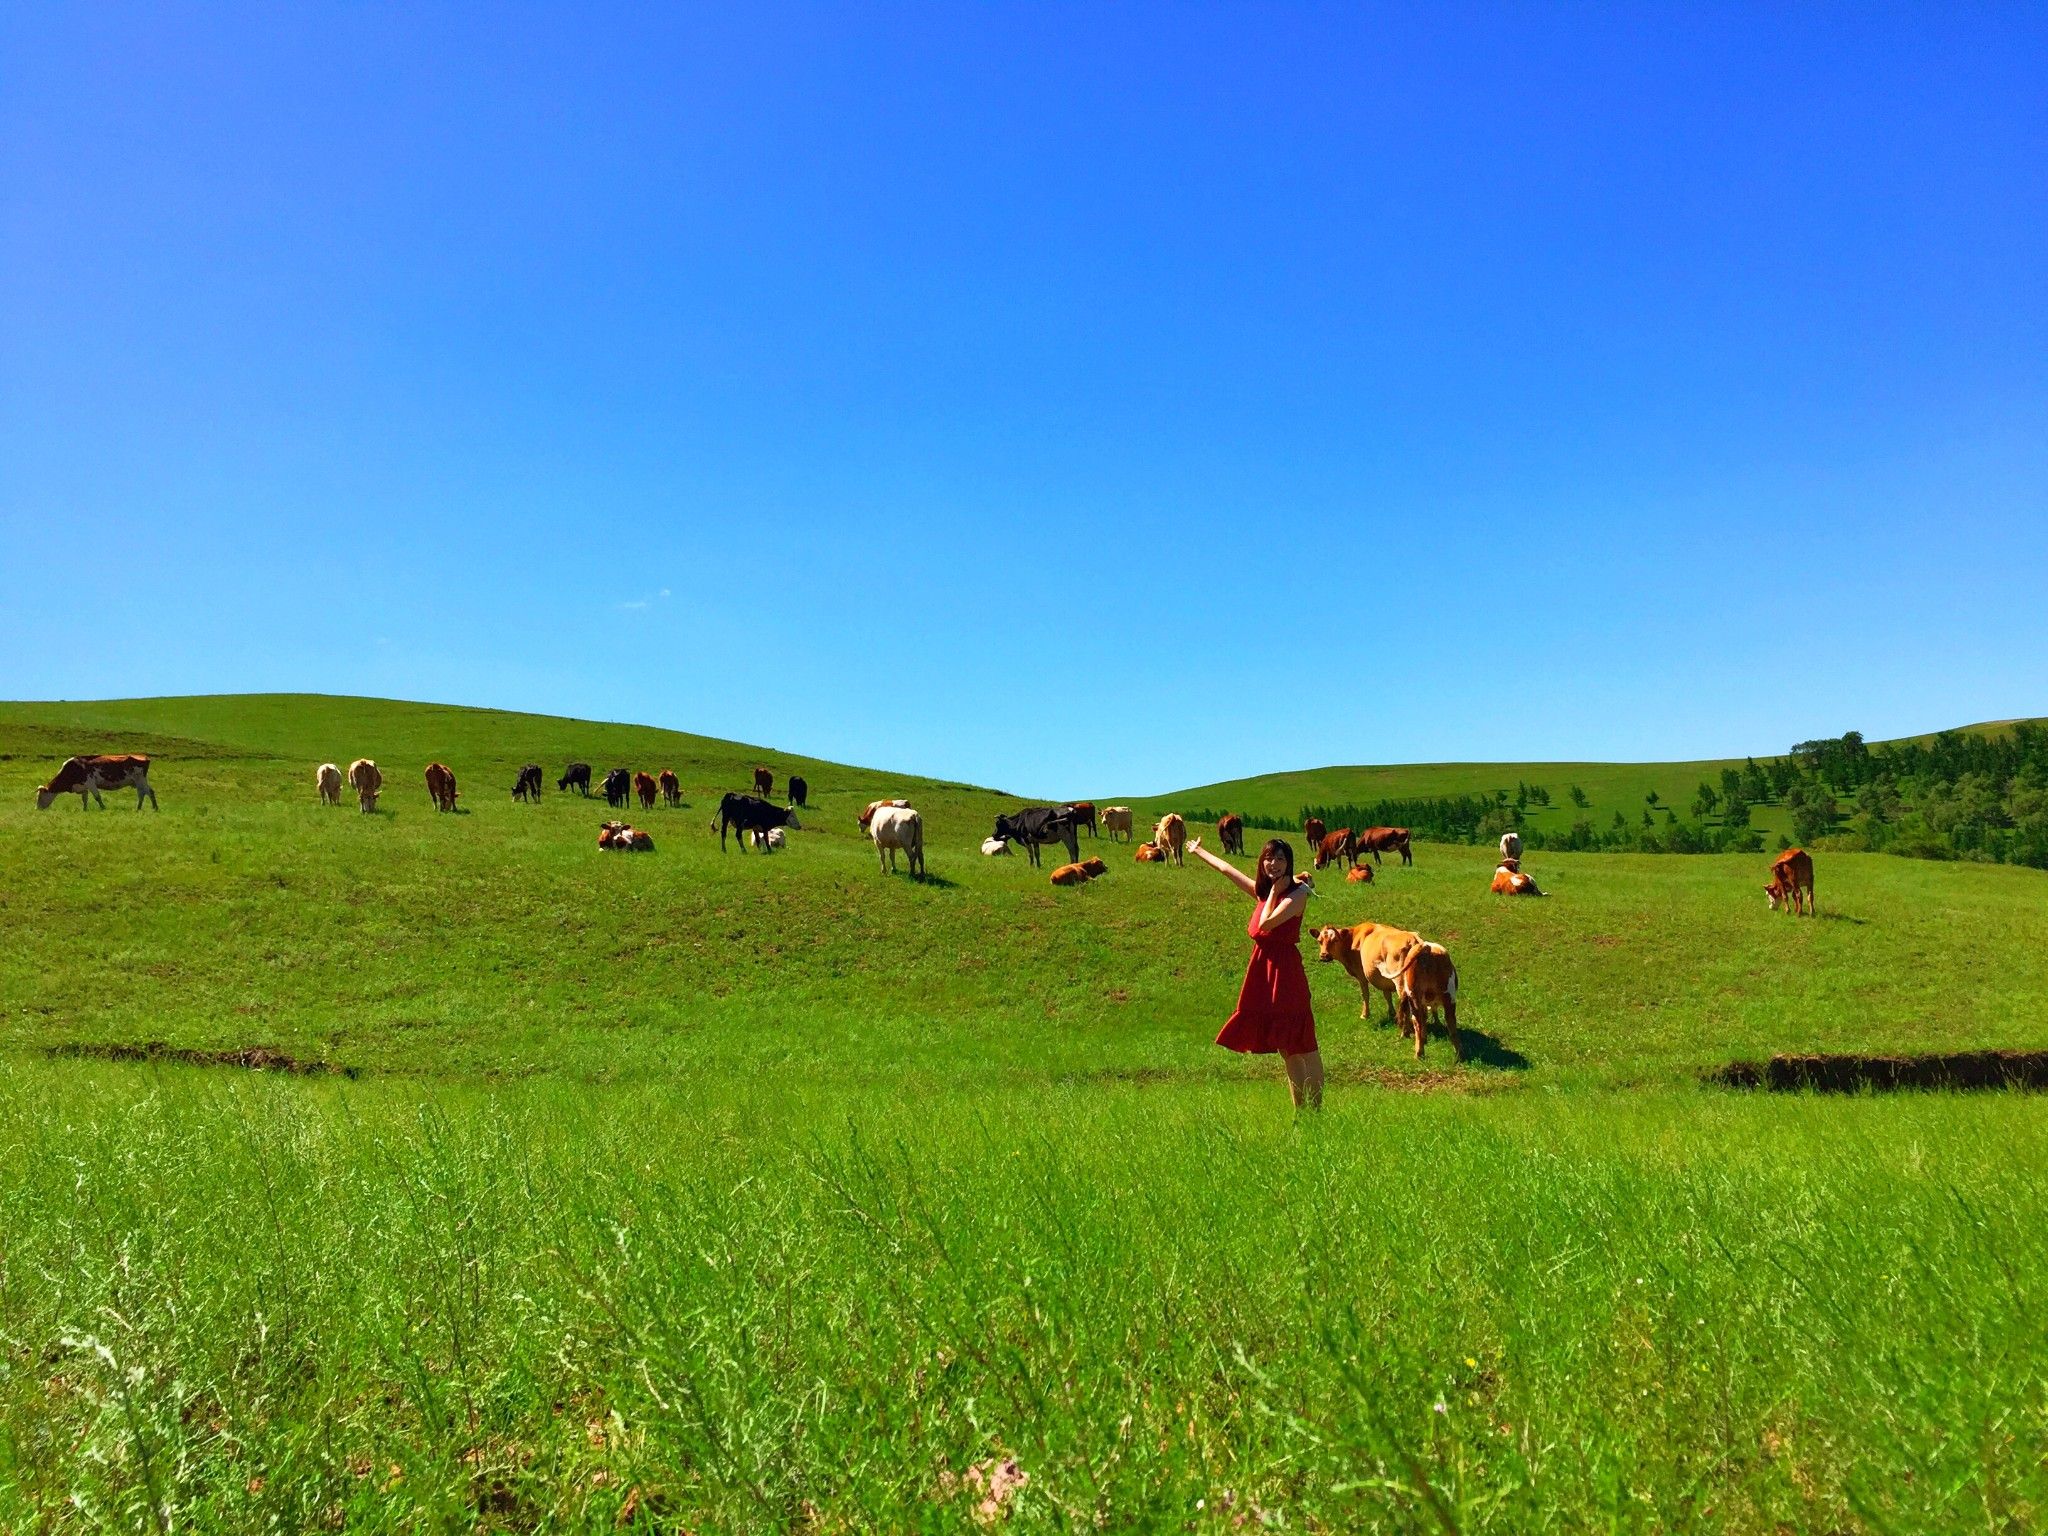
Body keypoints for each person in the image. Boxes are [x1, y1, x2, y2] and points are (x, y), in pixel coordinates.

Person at [1189, 834, 1323, 1109]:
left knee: (1304, 1046)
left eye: (1280, 859)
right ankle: (1302, 1113)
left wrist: (1273, 893)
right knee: (1287, 1050)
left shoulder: (1297, 894)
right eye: (1269, 858)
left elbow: (1266, 924)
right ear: (1262, 862)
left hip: (1286, 975)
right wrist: (1198, 851)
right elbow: (1227, 870)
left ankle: (1316, 1111)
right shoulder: (1264, 892)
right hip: (1264, 972)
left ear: (1289, 863)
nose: (1274, 863)